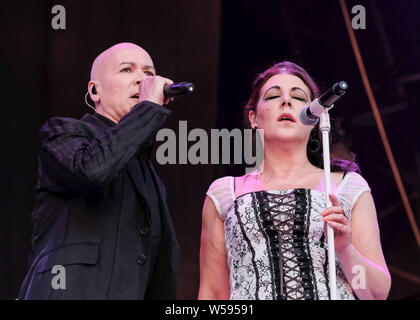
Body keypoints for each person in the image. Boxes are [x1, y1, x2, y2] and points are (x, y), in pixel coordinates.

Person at [198, 61, 391, 300]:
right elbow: (213, 294)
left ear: (316, 117)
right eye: (273, 96)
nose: (286, 101)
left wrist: (345, 249)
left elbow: (376, 294)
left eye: (298, 97)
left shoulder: (347, 187)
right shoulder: (224, 193)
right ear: (253, 117)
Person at [18, 42, 179, 299]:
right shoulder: (62, 133)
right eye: (127, 70)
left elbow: (160, 263)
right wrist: (148, 109)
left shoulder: (148, 173)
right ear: (95, 90)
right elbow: (91, 170)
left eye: (149, 74)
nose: (142, 79)